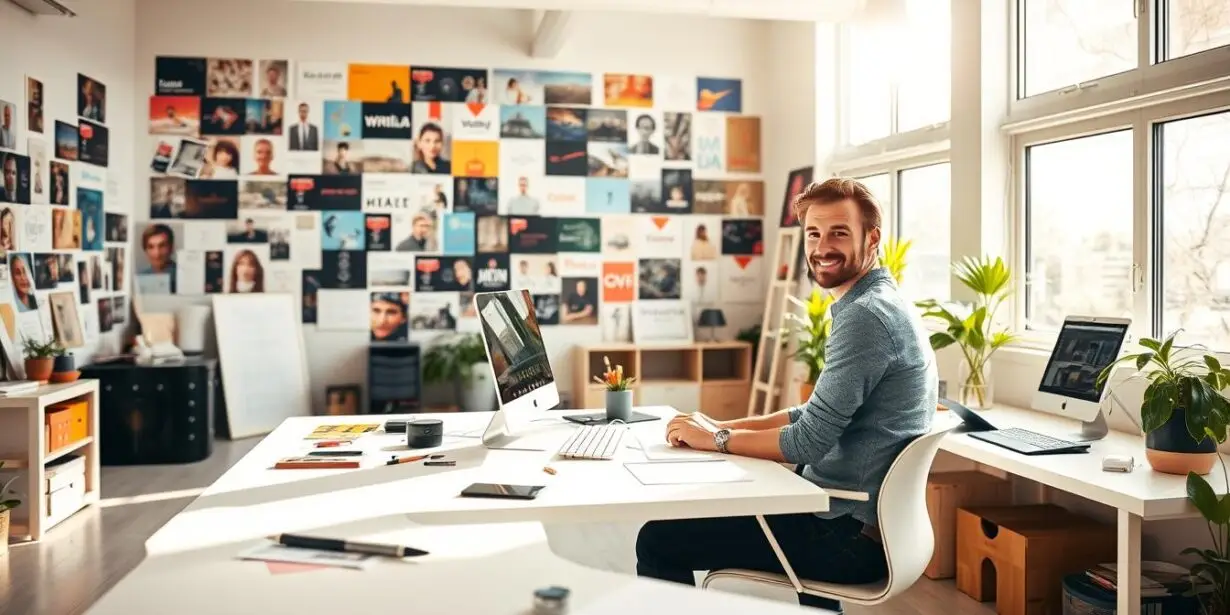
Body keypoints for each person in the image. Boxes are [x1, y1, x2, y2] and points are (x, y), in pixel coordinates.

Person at [635, 177, 937, 612]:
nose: (821, 247)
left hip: (844, 537)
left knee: (659, 538)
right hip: (863, 525)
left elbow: (807, 442)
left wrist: (716, 441)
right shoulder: (881, 302)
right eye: (813, 233)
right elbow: (810, 415)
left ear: (872, 238)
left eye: (839, 232)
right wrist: (721, 426)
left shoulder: (865, 318)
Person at [138, 224, 177, 293]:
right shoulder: (141, 277)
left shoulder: (182, 276)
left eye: (162, 246)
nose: (157, 253)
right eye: (151, 247)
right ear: (145, 250)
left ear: (171, 248)